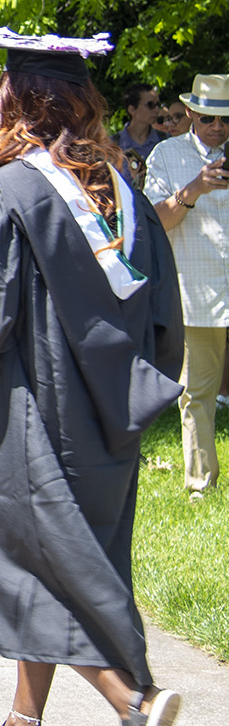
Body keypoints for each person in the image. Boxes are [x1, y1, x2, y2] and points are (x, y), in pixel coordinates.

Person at [0, 31, 185, 726]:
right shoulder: (125, 193)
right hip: (110, 423)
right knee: (74, 561)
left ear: (15, 104)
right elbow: (164, 317)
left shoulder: (10, 192)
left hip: (28, 416)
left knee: (22, 560)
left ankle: (134, 700)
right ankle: (24, 717)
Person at [147, 73, 229, 503]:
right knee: (197, 395)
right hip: (197, 295)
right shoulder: (167, 155)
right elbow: (155, 222)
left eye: (226, 120)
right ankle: (201, 485)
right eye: (210, 117)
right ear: (193, 113)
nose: (218, 127)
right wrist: (194, 188)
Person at [114, 83, 170, 164]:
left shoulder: (165, 141)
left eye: (158, 105)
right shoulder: (113, 144)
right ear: (132, 109)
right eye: (150, 105)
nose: (157, 110)